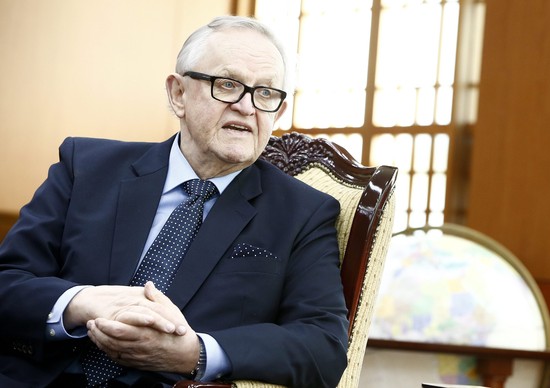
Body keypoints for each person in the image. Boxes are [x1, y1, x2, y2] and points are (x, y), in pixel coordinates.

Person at [0, 15, 349, 388]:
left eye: (265, 93)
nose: (247, 107)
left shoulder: (304, 212)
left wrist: (196, 352)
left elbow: (323, 345)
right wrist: (81, 303)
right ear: (178, 94)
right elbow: (8, 282)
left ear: (277, 112)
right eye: (227, 85)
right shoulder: (84, 166)